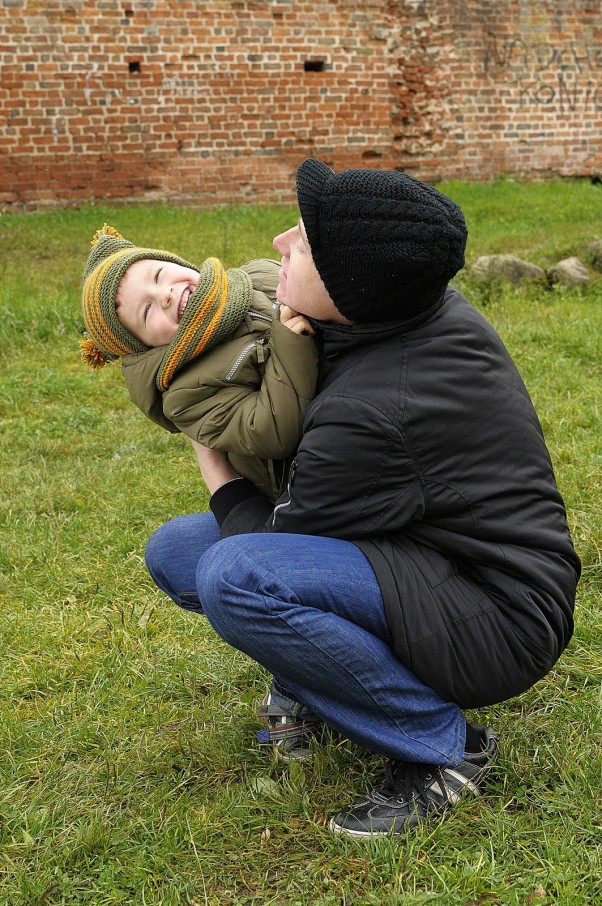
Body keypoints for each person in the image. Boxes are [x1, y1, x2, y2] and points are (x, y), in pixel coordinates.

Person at [143, 159, 580, 837]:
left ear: (350, 287)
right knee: (177, 551)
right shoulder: (386, 311)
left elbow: (278, 534)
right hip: (416, 548)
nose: (283, 241)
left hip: (495, 614)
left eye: (306, 244)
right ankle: (318, 680)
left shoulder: (376, 408)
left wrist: (211, 456)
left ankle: (444, 747)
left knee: (236, 576)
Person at [79, 225, 318, 501]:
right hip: (306, 483)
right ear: (144, 347)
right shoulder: (186, 393)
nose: (164, 295)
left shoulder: (256, 274)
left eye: (158, 275)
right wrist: (291, 341)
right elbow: (270, 431)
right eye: (147, 310)